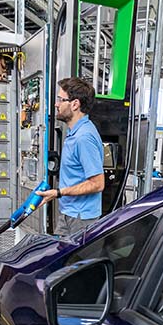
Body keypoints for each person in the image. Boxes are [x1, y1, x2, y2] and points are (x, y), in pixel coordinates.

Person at [37, 77, 105, 237]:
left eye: (61, 100)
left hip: (81, 218)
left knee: (77, 261)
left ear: (75, 104)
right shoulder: (75, 132)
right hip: (70, 213)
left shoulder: (84, 137)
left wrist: (59, 192)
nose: (56, 104)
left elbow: (97, 184)